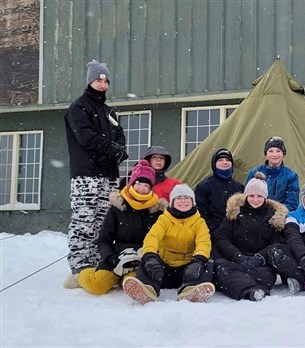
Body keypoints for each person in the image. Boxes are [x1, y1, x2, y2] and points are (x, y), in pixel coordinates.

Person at [63, 60, 129, 288]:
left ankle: (99, 265)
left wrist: (118, 151)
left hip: (108, 175)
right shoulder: (78, 108)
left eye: (105, 80)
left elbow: (119, 136)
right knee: (85, 221)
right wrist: (111, 149)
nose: (102, 84)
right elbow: (86, 138)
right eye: (98, 79)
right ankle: (80, 268)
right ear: (89, 81)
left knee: (103, 222)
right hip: (86, 175)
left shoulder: (109, 111)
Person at [76, 160, 165, 294]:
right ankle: (81, 276)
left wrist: (147, 257)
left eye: (146, 185)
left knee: (135, 284)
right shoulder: (117, 208)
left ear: (151, 188)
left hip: (141, 259)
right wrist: (110, 257)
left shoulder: (156, 212)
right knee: (97, 285)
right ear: (131, 184)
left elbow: (161, 241)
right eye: (138, 184)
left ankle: (124, 280)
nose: (142, 188)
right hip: (116, 257)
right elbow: (104, 239)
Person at [122, 184, 215, 304]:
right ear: (172, 202)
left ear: (193, 202)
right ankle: (148, 289)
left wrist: (198, 261)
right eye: (179, 198)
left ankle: (190, 289)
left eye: (186, 198)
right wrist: (150, 257)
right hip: (163, 268)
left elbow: (204, 242)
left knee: (208, 262)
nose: (183, 201)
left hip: (188, 270)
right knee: (145, 258)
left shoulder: (199, 222)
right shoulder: (164, 219)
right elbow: (152, 237)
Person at [212, 172, 288, 301]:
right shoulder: (234, 213)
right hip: (233, 260)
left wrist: (260, 258)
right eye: (251, 195)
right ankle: (251, 291)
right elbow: (222, 238)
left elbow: (277, 243)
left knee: (266, 276)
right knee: (222, 269)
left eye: (259, 196)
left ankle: (238, 285)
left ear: (265, 197)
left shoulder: (274, 217)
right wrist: (237, 256)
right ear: (246, 196)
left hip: (260, 263)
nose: (255, 199)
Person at [195, 148, 244, 238]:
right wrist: (213, 232)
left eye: (227, 160)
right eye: (220, 160)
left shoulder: (239, 187)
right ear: (214, 164)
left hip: (235, 236)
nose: (224, 162)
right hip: (210, 235)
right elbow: (200, 212)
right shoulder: (204, 186)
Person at [246, 136, 299, 211]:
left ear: (283, 154)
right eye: (271, 151)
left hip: (279, 216)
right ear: (266, 154)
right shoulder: (254, 172)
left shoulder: (291, 175)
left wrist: (274, 213)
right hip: (256, 213)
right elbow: (247, 197)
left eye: (278, 151)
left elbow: (292, 204)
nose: (274, 155)